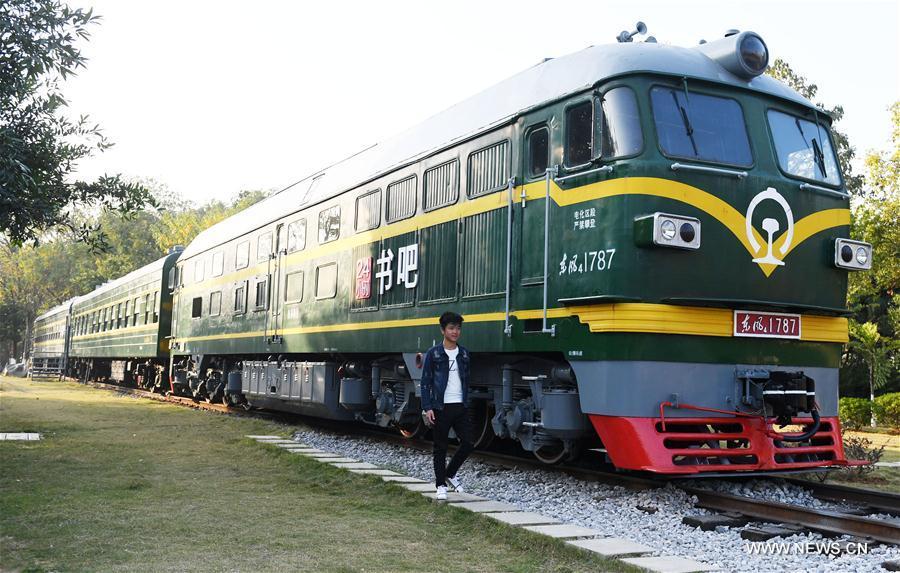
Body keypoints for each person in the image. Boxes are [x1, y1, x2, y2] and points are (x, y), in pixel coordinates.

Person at [420, 311, 474, 500]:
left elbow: (466, 381)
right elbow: (425, 382)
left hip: (460, 405)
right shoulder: (433, 354)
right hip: (440, 407)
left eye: (458, 328)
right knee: (440, 447)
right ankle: (440, 485)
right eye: (451, 328)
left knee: (468, 443)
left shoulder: (465, 354)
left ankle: (449, 474)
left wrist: (466, 404)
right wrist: (427, 407)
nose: (455, 332)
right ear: (443, 330)